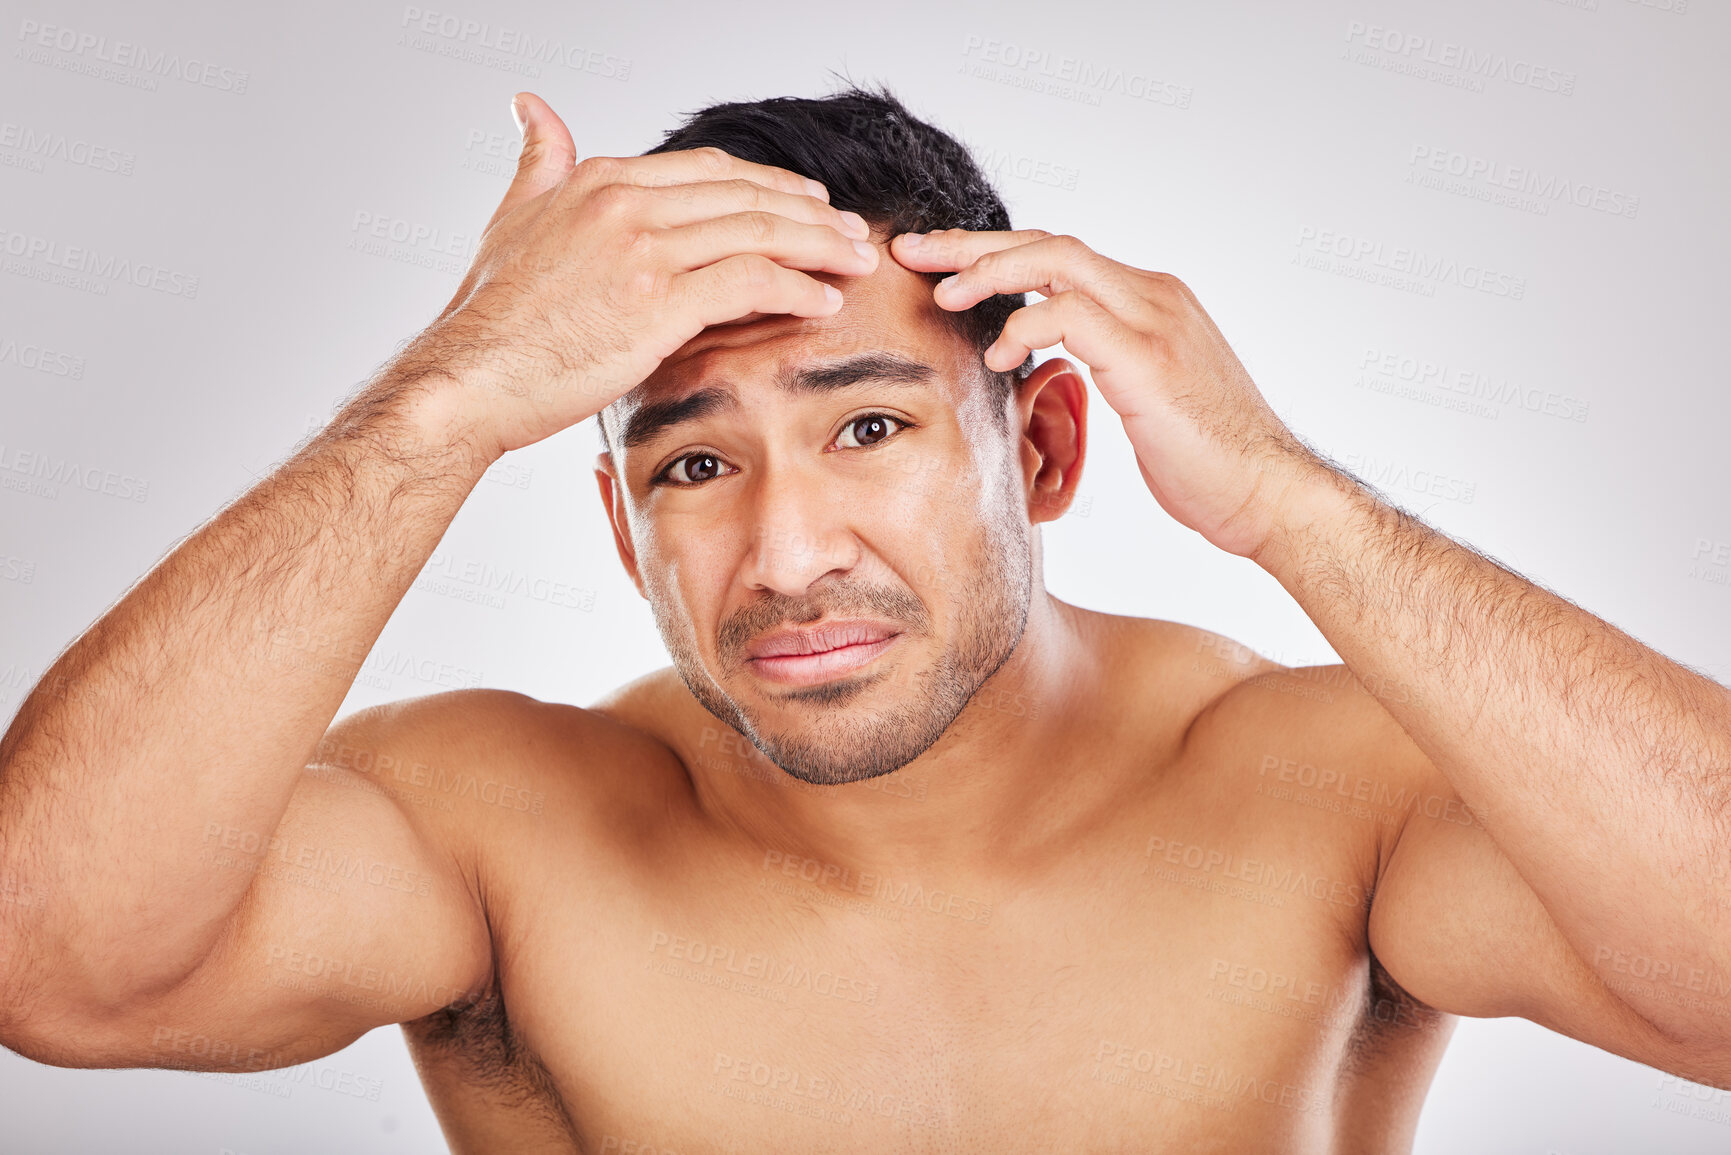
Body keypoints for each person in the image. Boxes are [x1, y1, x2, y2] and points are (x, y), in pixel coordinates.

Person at [1, 84, 1727, 1153]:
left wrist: (1291, 499)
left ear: (1040, 447)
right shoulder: (493, 833)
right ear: (623, 531)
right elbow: (57, 969)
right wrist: (443, 404)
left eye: (872, 427)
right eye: (691, 469)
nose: (783, 552)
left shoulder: (1324, 789)